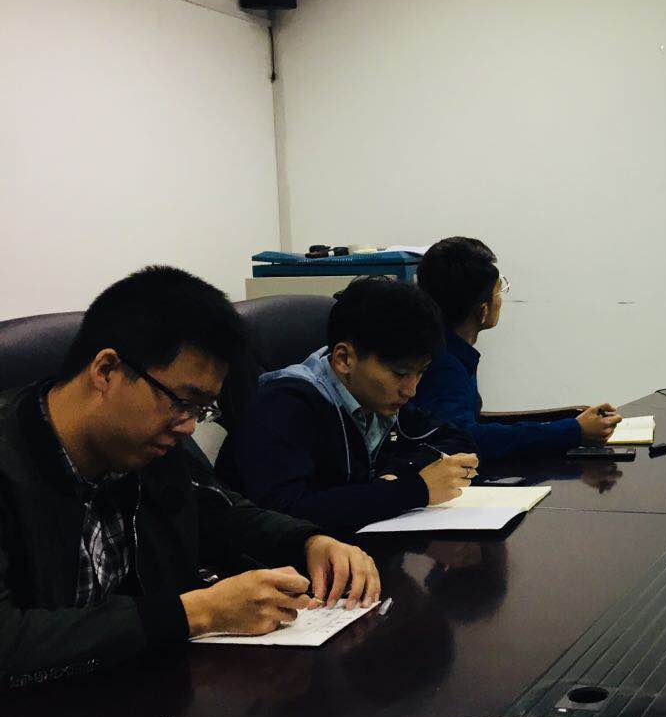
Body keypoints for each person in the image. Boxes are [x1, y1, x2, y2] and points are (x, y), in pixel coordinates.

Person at [0, 267, 380, 687]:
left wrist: (309, 541)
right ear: (106, 371)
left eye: (202, 410)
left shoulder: (145, 446)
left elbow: (220, 513)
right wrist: (197, 612)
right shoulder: (15, 457)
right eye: (183, 402)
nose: (189, 426)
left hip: (142, 692)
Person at [218, 277, 477, 535]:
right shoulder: (283, 406)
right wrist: (413, 489)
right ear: (344, 359)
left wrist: (396, 474)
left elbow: (456, 439)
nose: (411, 390)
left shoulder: (374, 399)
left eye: (420, 373)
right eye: (400, 374)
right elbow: (286, 511)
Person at [413, 237, 621, 457]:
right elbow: (466, 439)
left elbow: (468, 426)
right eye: (499, 292)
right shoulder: (445, 367)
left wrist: (570, 425)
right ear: (483, 310)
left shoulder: (447, 351)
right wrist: (572, 431)